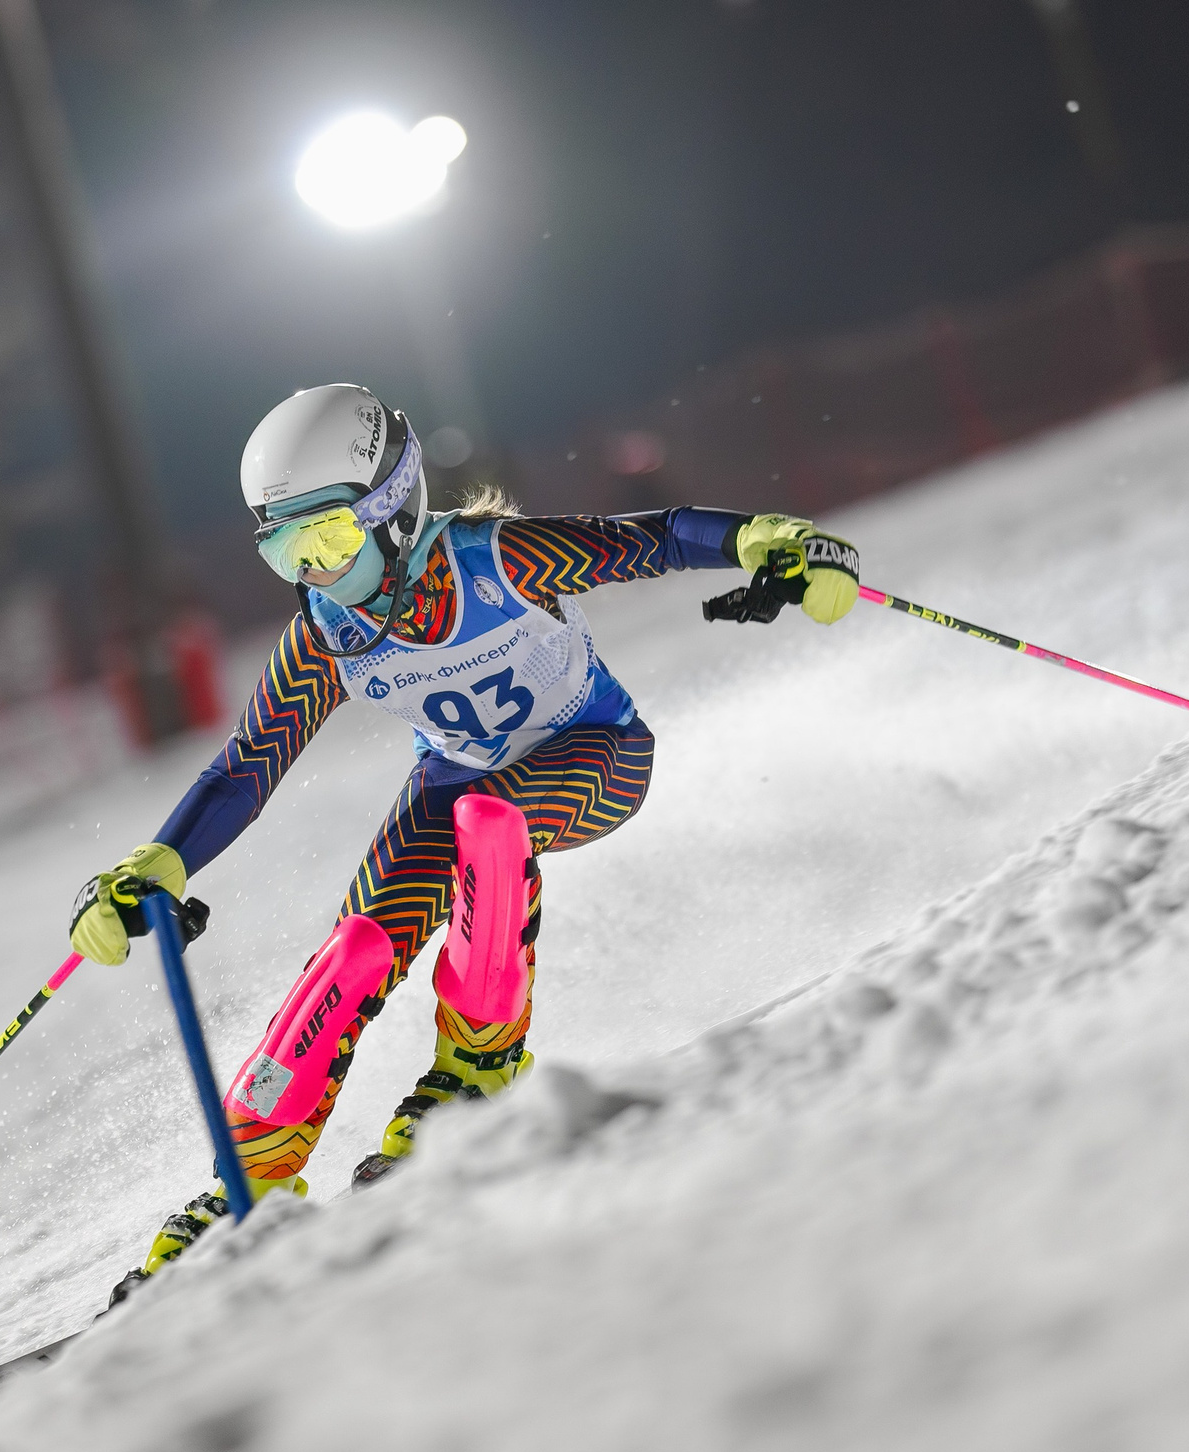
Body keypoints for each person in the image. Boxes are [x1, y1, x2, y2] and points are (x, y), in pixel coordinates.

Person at [68, 384, 858, 1304]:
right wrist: (159, 862)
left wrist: (767, 540)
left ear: (393, 510)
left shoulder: (494, 560)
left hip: (596, 752)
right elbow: (249, 764)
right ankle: (246, 1173)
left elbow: (655, 537)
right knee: (355, 949)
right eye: (287, 550)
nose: (316, 572)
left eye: (329, 538)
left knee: (493, 823)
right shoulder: (327, 634)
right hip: (453, 781)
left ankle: (476, 1073)